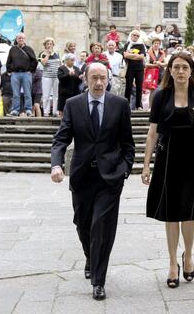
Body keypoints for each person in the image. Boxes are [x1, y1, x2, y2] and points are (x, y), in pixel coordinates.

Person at [51, 62, 135, 301]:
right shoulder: (73, 105)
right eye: (94, 78)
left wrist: (124, 170)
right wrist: (56, 164)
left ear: (108, 79)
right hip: (81, 176)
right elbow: (61, 139)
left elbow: (128, 144)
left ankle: (99, 280)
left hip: (110, 178)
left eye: (103, 78)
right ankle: (91, 256)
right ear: (85, 79)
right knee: (83, 224)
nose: (99, 83)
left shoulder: (120, 105)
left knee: (102, 228)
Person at [141, 52, 194, 289]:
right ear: (169, 70)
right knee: (170, 211)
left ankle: (188, 255)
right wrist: (146, 164)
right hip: (168, 158)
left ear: (192, 71)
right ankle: (172, 262)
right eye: (176, 67)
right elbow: (153, 132)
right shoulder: (160, 96)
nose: (180, 71)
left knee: (190, 211)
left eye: (184, 67)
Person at [6, 32, 38, 117]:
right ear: (16, 39)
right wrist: (9, 70)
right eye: (19, 38)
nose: (20, 39)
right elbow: (9, 60)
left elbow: (34, 61)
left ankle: (28, 110)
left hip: (26, 74)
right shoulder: (13, 49)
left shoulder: (29, 49)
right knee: (16, 94)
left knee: (27, 93)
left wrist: (30, 70)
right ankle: (15, 110)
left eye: (22, 38)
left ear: (24, 39)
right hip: (15, 74)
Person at [123, 30, 146, 109]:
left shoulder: (141, 45)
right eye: (134, 35)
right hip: (130, 68)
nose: (135, 37)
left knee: (139, 87)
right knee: (128, 86)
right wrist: (136, 56)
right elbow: (125, 55)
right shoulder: (127, 44)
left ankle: (138, 105)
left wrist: (131, 55)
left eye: (137, 35)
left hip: (139, 68)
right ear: (131, 35)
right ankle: (126, 104)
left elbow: (142, 57)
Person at [39, 37, 61, 117]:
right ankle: (46, 112)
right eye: (47, 44)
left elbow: (60, 64)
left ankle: (55, 112)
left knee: (56, 95)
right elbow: (44, 63)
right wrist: (47, 54)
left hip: (56, 77)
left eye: (51, 44)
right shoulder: (42, 53)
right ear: (45, 45)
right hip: (47, 77)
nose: (49, 45)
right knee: (46, 95)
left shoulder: (57, 53)